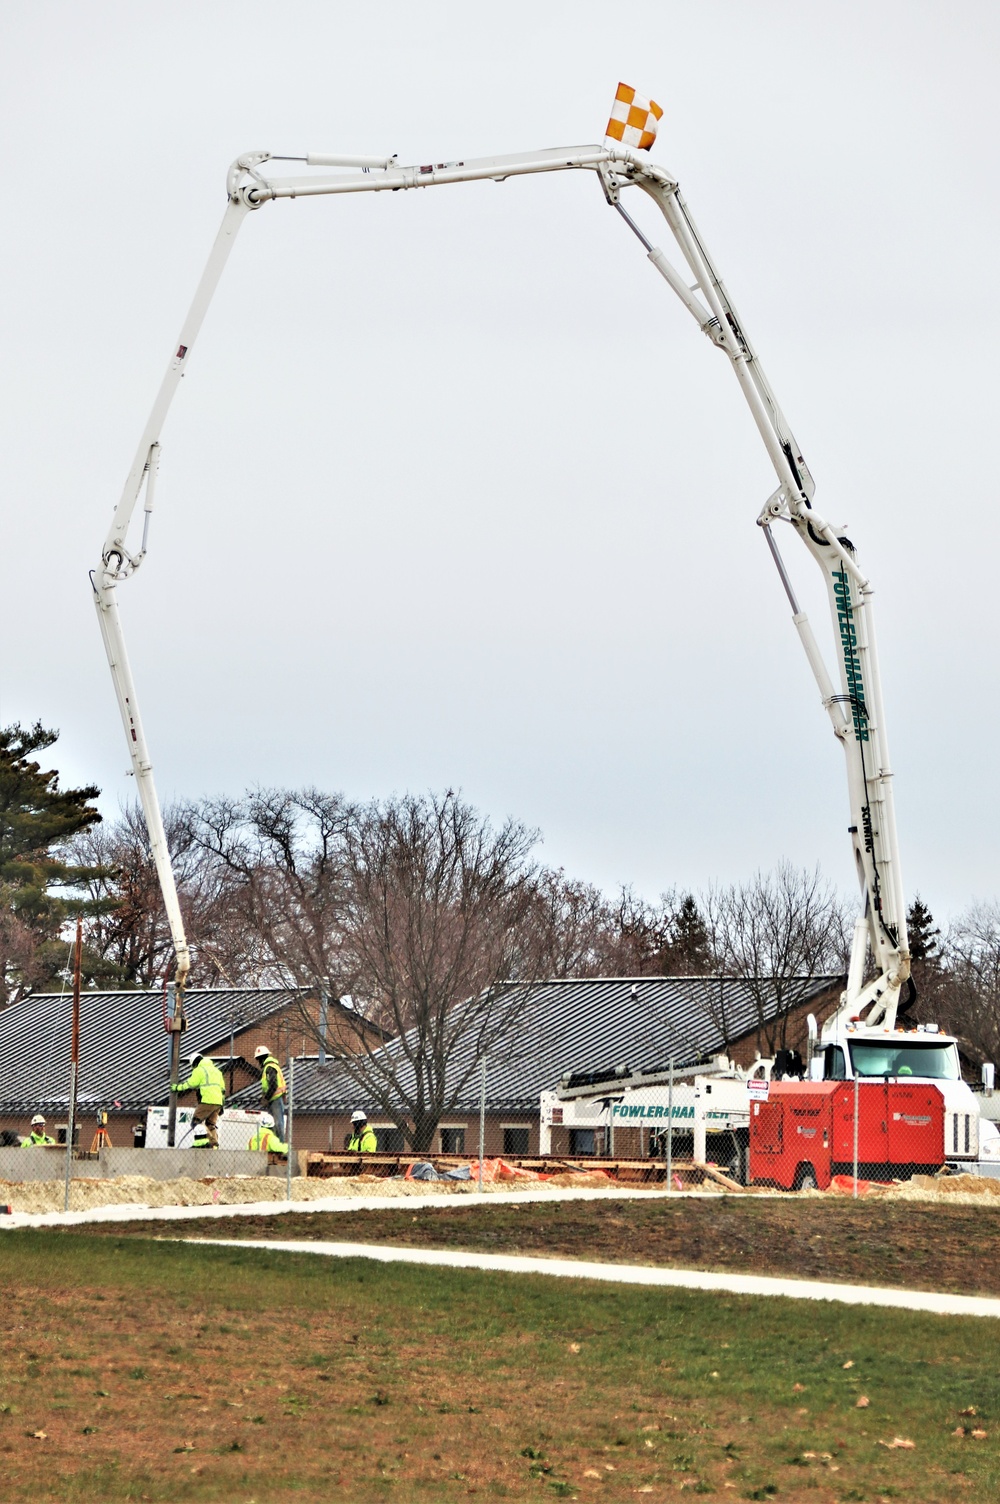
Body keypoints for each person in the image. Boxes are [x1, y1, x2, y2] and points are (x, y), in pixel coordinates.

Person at [171, 1051, 226, 1147]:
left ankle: (211, 1143)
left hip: (207, 1100)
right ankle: (215, 1147)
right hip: (218, 1101)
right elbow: (223, 1089)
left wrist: (177, 1088)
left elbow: (191, 1083)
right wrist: (222, 1104)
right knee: (210, 1125)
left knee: (196, 1122)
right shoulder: (217, 1071)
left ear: (195, 1063)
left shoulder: (199, 1070)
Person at [253, 1045, 287, 1139]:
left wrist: (266, 1098)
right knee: (274, 1123)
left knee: (277, 1123)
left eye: (259, 1059)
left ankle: (280, 1144)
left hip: (275, 1099)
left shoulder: (269, 1067)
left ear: (261, 1059)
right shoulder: (270, 1067)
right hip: (274, 1099)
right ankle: (276, 1142)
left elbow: (273, 1085)